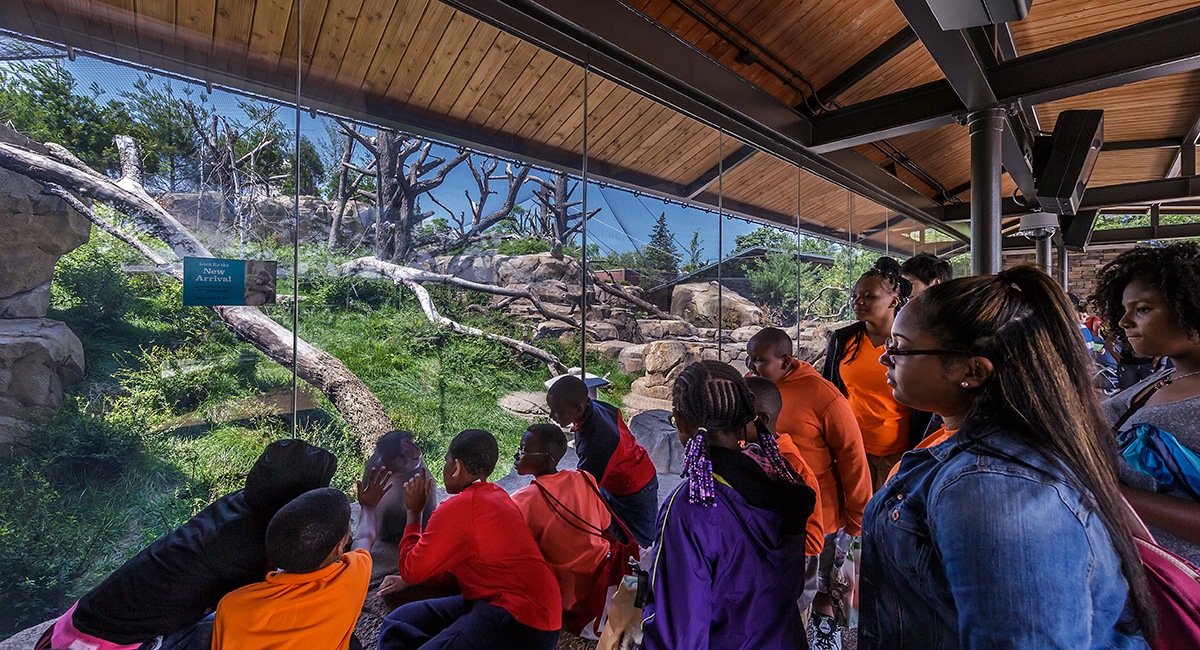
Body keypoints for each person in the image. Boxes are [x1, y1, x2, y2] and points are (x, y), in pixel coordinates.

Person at [861, 267, 1153, 649]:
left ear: (973, 369)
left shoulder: (995, 488)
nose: (886, 359)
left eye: (899, 346)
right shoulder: (979, 451)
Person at [37, 439, 338, 650]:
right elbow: (248, 613)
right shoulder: (252, 548)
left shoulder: (241, 503)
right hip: (113, 642)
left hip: (87, 616)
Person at [642, 361, 816, 650]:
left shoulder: (693, 505)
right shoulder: (782, 476)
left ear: (680, 422)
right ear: (743, 419)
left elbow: (680, 632)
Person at [377, 429, 562, 650]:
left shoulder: (456, 509)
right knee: (397, 623)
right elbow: (460, 563)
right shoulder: (497, 494)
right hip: (493, 600)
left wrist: (414, 512)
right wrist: (417, 579)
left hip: (524, 620)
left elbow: (410, 568)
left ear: (456, 468)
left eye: (446, 461)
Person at [746, 326, 869, 649]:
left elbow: (852, 456)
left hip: (823, 513)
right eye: (749, 358)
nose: (751, 366)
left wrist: (857, 518)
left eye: (759, 360)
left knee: (825, 584)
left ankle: (826, 635)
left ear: (785, 360)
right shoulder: (754, 390)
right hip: (775, 514)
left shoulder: (823, 394)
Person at [1093, 243, 1200, 566]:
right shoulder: (1165, 376)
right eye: (1124, 310)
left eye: (1142, 309)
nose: (1124, 321)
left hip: (1180, 594)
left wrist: (1109, 493)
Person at [209, 468, 394, 650]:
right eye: (349, 524)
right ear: (339, 547)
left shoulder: (231, 607)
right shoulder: (350, 580)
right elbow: (364, 539)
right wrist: (368, 506)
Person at [823, 257, 933, 489]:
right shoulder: (843, 341)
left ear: (894, 300)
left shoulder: (913, 343)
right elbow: (828, 392)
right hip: (850, 450)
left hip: (898, 454)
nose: (857, 302)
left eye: (868, 296)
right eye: (854, 296)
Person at [509, 424, 614, 631]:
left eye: (523, 450)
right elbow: (605, 526)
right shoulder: (585, 478)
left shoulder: (521, 501)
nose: (516, 455)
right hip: (603, 578)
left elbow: (517, 558)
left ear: (546, 459)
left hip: (566, 597)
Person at [545, 375, 659, 547]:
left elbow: (584, 486)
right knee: (619, 533)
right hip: (617, 477)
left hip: (636, 488)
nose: (551, 415)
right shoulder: (592, 407)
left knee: (645, 545)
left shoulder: (596, 441)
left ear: (578, 408)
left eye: (557, 411)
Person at [743, 376, 825, 612]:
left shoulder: (794, 470)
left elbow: (813, 541)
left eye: (739, 413)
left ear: (761, 419)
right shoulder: (748, 451)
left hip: (792, 573)